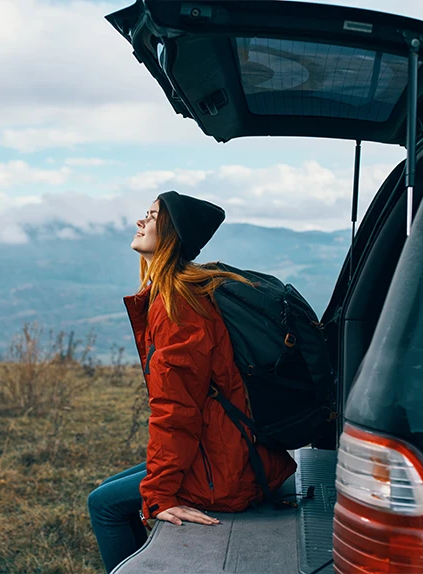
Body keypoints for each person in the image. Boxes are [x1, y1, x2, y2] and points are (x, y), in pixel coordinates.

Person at [88, 191, 297, 573]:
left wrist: (161, 494)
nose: (140, 222)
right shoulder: (179, 295)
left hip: (227, 468)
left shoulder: (178, 306)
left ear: (170, 233)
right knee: (111, 487)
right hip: (224, 447)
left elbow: (177, 410)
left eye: (151, 216)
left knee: (102, 505)